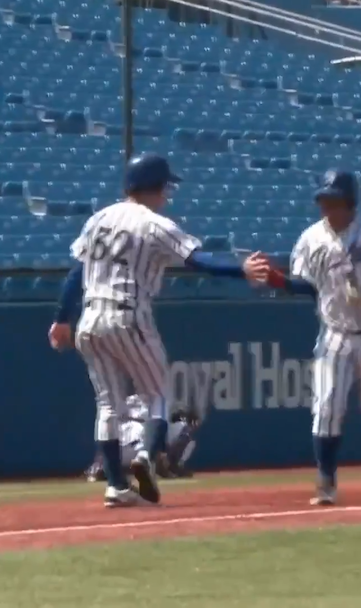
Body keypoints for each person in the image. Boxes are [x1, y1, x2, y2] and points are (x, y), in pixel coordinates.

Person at [48, 153, 270, 507]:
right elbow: (199, 260)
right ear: (154, 187)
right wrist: (240, 269)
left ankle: (116, 486)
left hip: (89, 319)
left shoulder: (99, 219)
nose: (167, 194)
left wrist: (62, 318)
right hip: (128, 314)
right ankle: (146, 458)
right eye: (165, 187)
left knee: (108, 404)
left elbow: (77, 273)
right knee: (158, 395)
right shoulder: (154, 224)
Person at [259, 169, 361, 505]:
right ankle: (326, 482)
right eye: (324, 200)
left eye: (334, 201)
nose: (328, 208)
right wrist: (280, 283)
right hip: (334, 333)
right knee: (326, 405)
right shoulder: (310, 239)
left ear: (350, 203)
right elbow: (308, 285)